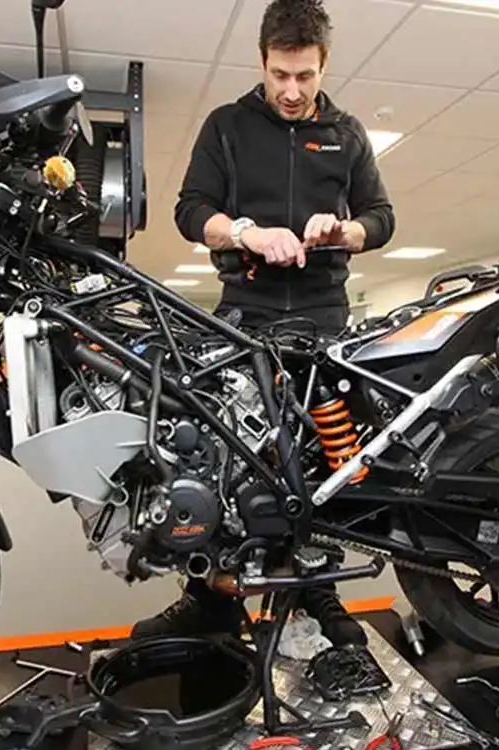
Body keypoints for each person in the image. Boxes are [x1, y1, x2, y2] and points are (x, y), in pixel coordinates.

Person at [131, 0, 396, 647]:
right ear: (262, 61)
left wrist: (345, 230)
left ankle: (320, 596)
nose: (292, 90)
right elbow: (191, 210)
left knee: (319, 466)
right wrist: (246, 232)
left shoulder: (347, 134)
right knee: (223, 461)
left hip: (322, 316)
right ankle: (209, 599)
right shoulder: (228, 126)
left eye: (305, 76)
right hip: (243, 317)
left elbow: (382, 218)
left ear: (323, 65)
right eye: (280, 74)